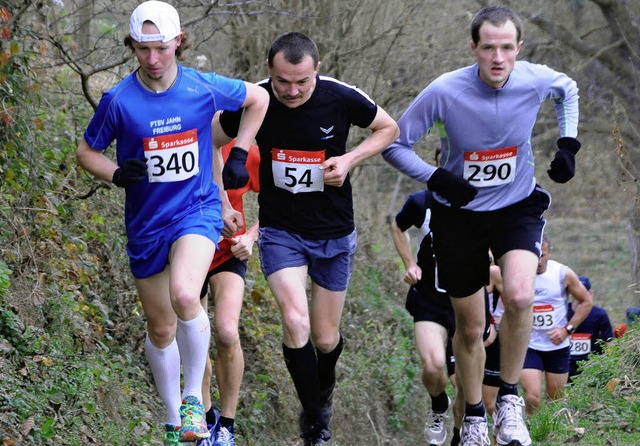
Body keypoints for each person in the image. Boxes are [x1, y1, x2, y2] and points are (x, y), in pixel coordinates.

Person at [382, 5, 580, 445]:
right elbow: (395, 143)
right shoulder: (444, 92)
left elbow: (568, 89)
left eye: (506, 48)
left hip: (516, 207)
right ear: (473, 48)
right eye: (488, 47)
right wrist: (437, 177)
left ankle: (508, 402)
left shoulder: (533, 78)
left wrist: (569, 144)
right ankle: (472, 415)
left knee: (521, 293)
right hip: (459, 216)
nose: (497, 57)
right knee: (470, 328)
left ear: (518, 49)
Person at [75, 2, 269, 444]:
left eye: (161, 47)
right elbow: (86, 152)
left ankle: (193, 402)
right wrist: (118, 174)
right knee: (161, 327)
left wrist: (239, 152)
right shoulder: (119, 100)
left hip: (195, 211)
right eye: (142, 49)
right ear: (133, 48)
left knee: (186, 293)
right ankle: (171, 420)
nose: (153, 59)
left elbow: (259, 98)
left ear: (178, 42)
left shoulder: (202, 87)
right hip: (146, 223)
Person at [213, 31, 399, 445]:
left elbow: (389, 129)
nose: (292, 91)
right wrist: (223, 199)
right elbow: (210, 139)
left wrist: (349, 160)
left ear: (317, 69)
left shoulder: (340, 96)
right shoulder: (254, 100)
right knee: (294, 320)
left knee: (325, 337)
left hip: (334, 233)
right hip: (282, 232)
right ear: (269, 72)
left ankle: (322, 396)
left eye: (302, 81)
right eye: (283, 82)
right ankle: (316, 426)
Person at [197, 139, 260, 446]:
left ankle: (227, 427)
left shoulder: (244, 149)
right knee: (195, 335)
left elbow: (280, 199)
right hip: (188, 253)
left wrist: (251, 235)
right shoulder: (184, 134)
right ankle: (205, 419)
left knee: (225, 332)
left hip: (228, 254)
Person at [519, 237, 592, 413]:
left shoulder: (562, 273)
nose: (539, 261)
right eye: (535, 256)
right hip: (529, 344)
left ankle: (549, 436)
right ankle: (531, 428)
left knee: (555, 401)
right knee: (532, 396)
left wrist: (567, 330)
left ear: (548, 253)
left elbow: (586, 301)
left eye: (542, 255)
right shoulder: (519, 273)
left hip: (557, 344)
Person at [566, 275, 613, 382]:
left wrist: (608, 363)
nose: (579, 296)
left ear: (590, 294)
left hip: (592, 365)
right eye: (577, 292)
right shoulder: (562, 311)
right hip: (566, 365)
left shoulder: (600, 314)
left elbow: (608, 341)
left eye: (584, 292)